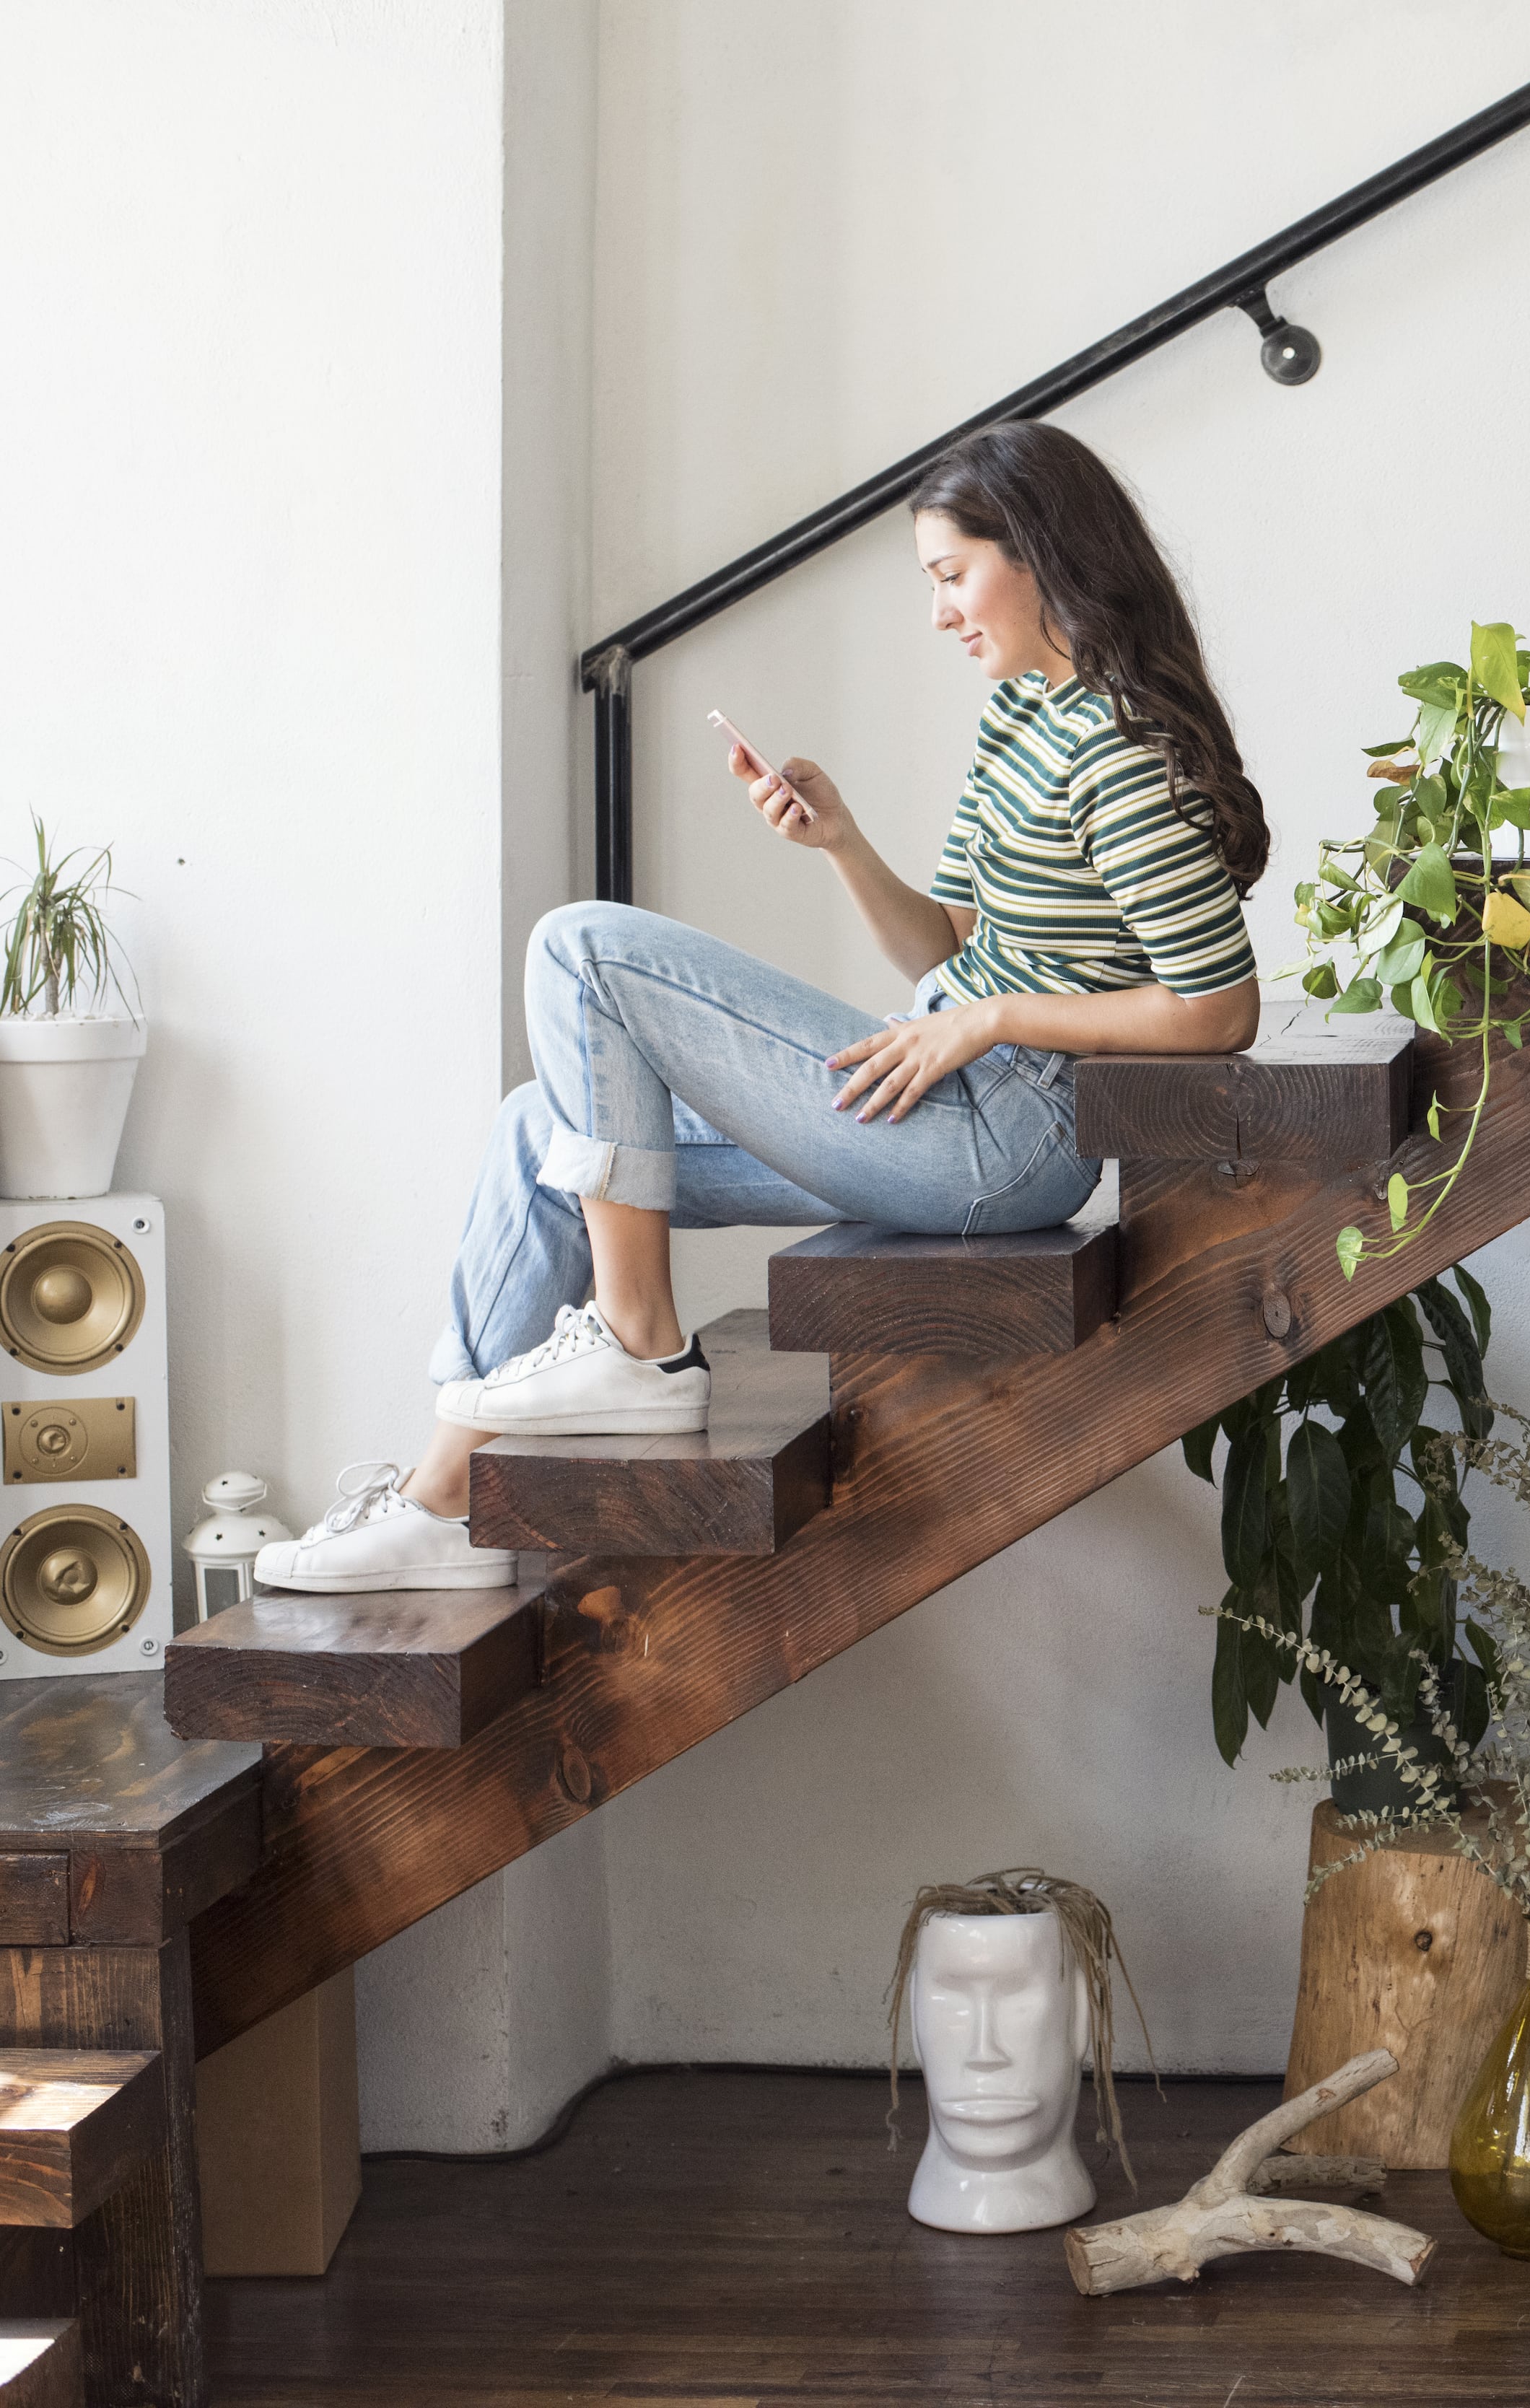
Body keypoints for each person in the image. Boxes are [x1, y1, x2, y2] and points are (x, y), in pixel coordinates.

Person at [257, 422, 1266, 1591]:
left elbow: (1217, 1008)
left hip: (1010, 1135)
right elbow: (946, 944)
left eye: (951, 576)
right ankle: (439, 1507)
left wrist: (994, 1021)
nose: (940, 612)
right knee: (540, 1132)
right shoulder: (1022, 714)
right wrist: (839, 844)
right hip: (944, 1088)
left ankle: (641, 1345)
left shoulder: (1121, 748)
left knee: (580, 948)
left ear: (1040, 554)